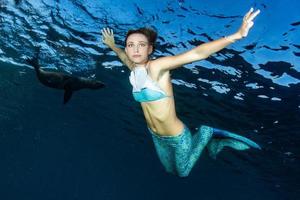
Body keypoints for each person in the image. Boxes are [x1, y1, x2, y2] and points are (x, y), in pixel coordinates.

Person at [101, 8, 261, 177]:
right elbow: (122, 56)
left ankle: (206, 132)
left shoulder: (157, 67)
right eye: (130, 45)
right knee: (170, 170)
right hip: (156, 135)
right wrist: (112, 44)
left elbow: (197, 53)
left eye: (141, 45)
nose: (135, 49)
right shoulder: (133, 68)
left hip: (177, 136)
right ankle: (206, 139)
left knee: (183, 172)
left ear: (150, 49)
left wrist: (236, 35)